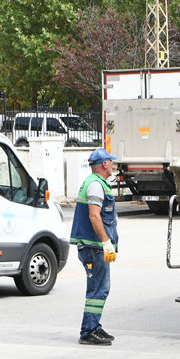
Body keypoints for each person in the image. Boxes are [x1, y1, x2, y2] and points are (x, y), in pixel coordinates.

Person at [71, 148, 119, 346]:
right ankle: (89, 331)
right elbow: (94, 215)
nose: (113, 164)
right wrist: (106, 242)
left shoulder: (96, 183)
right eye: (111, 161)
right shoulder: (95, 186)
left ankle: (94, 326)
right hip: (94, 247)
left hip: (94, 246)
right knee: (98, 289)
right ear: (105, 164)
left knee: (99, 288)